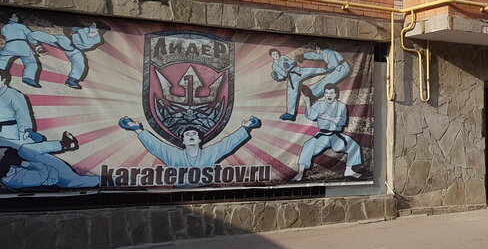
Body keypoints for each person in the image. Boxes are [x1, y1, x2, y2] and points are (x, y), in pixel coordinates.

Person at [118, 115, 262, 167]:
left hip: (205, 192)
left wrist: (246, 127)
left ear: (199, 139)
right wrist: (137, 129)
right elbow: (156, 145)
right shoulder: (173, 155)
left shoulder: (209, 154)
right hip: (177, 195)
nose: (191, 135)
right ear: (183, 141)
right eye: (187, 134)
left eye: (194, 134)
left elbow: (227, 144)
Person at [293, 84, 362, 181]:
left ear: (335, 94)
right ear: (324, 94)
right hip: (323, 135)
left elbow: (342, 122)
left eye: (331, 93)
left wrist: (329, 118)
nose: (329, 95)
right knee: (308, 145)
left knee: (354, 146)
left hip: (335, 136)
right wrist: (308, 104)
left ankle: (349, 170)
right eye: (326, 93)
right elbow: (311, 116)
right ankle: (300, 173)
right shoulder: (319, 104)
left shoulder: (341, 106)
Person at [0, 131, 98, 189]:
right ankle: (65, 144)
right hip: (57, 175)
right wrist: (22, 163)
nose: (12, 167)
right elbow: (43, 173)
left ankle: (64, 144)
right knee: (25, 151)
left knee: (24, 151)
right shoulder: (16, 180)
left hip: (48, 167)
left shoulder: (9, 170)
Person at [29, 23, 103, 89]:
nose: (92, 27)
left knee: (80, 63)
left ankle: (72, 80)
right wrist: (75, 31)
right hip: (66, 41)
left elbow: (85, 40)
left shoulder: (97, 39)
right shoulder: (86, 29)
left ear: (98, 30)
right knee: (37, 35)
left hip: (74, 50)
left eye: (94, 27)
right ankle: (36, 45)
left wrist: (78, 30)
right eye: (92, 26)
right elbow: (74, 32)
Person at [269, 49, 326, 121]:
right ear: (271, 56)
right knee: (291, 94)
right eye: (274, 54)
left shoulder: (283, 58)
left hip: (296, 71)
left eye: (276, 53)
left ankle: (327, 69)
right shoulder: (274, 66)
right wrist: (276, 77)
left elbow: (293, 62)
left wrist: (287, 64)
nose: (276, 55)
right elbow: (282, 76)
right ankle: (290, 114)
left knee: (312, 70)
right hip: (291, 78)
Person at [0, 13, 41, 88]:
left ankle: (1, 70)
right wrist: (36, 44)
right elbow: (30, 35)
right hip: (22, 45)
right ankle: (29, 77)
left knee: (3, 59)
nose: (17, 18)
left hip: (10, 45)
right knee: (31, 62)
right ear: (11, 18)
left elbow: (2, 36)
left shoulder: (4, 27)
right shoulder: (21, 26)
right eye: (15, 16)